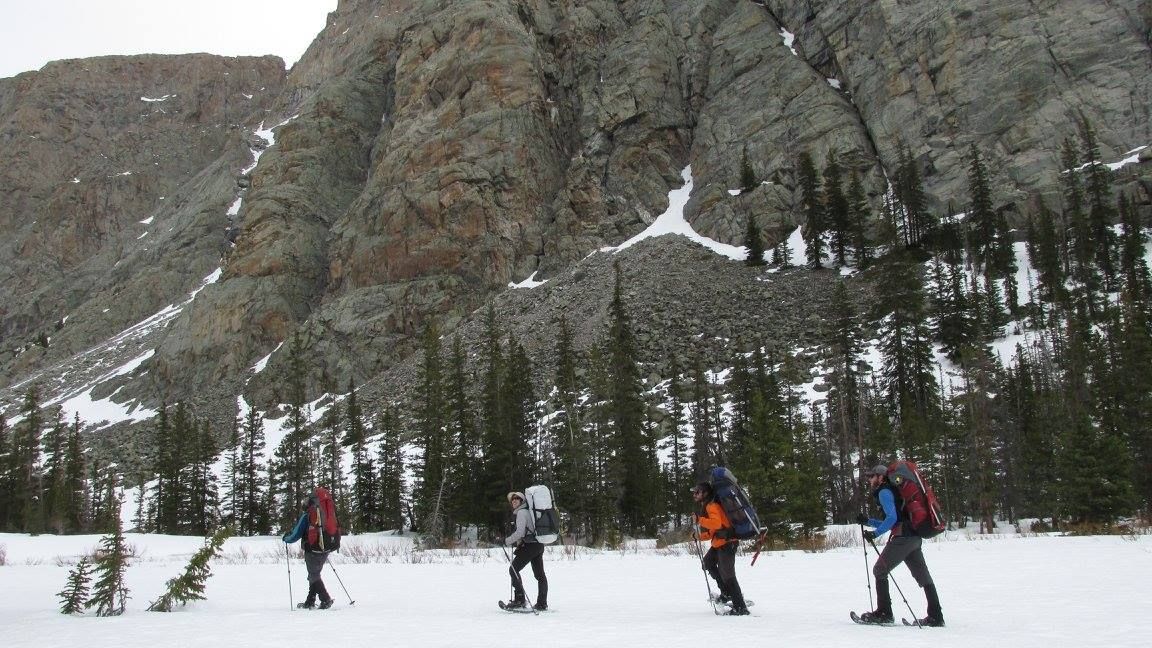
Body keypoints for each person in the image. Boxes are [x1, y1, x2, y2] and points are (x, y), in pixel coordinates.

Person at [857, 464, 944, 626]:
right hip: (914, 537)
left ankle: (884, 613)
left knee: (879, 570)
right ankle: (936, 616)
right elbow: (895, 519)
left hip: (903, 538)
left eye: (872, 476)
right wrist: (868, 521)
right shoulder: (896, 491)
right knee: (923, 576)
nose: (869, 480)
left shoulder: (884, 491)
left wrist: (874, 534)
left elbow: (891, 519)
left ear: (881, 477)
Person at [693, 481, 749, 615]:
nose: (695, 494)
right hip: (720, 542)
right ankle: (726, 592)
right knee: (708, 563)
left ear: (705, 493)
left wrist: (699, 520)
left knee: (728, 575)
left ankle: (740, 608)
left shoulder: (712, 505)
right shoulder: (709, 505)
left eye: (697, 492)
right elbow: (715, 529)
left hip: (727, 543)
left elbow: (716, 524)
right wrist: (700, 536)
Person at [283, 493, 335, 609]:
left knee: (314, 575)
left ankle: (325, 599)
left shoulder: (308, 516)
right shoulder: (324, 515)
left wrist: (286, 538)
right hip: (325, 548)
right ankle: (310, 600)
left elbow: (296, 534)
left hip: (312, 550)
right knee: (314, 574)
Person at [503, 491, 548, 611]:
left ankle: (520, 600)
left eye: (517, 498)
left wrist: (507, 541)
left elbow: (520, 533)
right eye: (512, 499)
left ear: (522, 501)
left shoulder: (522, 513)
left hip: (530, 546)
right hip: (538, 545)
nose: (514, 500)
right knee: (540, 576)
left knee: (513, 569)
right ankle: (542, 603)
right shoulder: (530, 512)